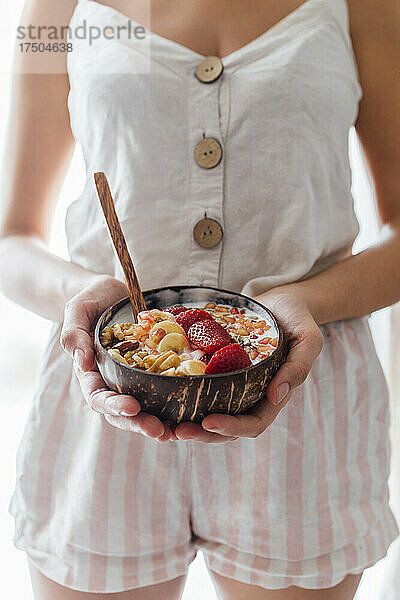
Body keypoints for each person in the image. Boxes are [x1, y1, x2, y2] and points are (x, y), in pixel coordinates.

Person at [1, 0, 399, 598]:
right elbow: (12, 238)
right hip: (103, 400)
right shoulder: (55, 10)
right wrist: (77, 294)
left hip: (302, 405)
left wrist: (307, 301)